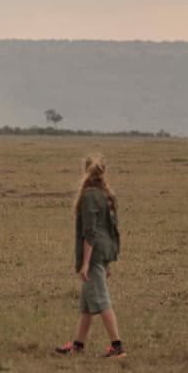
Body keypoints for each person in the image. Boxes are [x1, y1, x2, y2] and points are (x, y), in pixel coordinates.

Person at [55, 153, 125, 358]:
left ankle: (117, 345)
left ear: (85, 171)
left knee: (101, 300)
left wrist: (85, 263)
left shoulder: (89, 196)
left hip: (93, 254)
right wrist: (107, 262)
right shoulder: (107, 195)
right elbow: (110, 229)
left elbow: (90, 233)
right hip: (103, 252)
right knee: (87, 303)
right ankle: (78, 345)